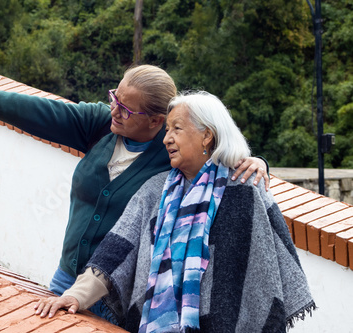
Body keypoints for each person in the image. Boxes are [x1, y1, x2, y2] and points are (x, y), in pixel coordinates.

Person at [0, 67, 269, 320]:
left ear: (156, 121)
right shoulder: (102, 126)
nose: (114, 110)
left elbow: (220, 160)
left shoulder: (172, 153)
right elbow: (44, 113)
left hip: (117, 295)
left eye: (126, 108)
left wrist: (256, 162)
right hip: (67, 278)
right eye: (114, 99)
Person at [35, 91, 315, 332]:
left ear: (207, 136)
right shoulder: (154, 191)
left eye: (176, 129)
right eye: (167, 129)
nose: (166, 138)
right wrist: (75, 296)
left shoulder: (245, 192)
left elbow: (269, 271)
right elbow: (114, 253)